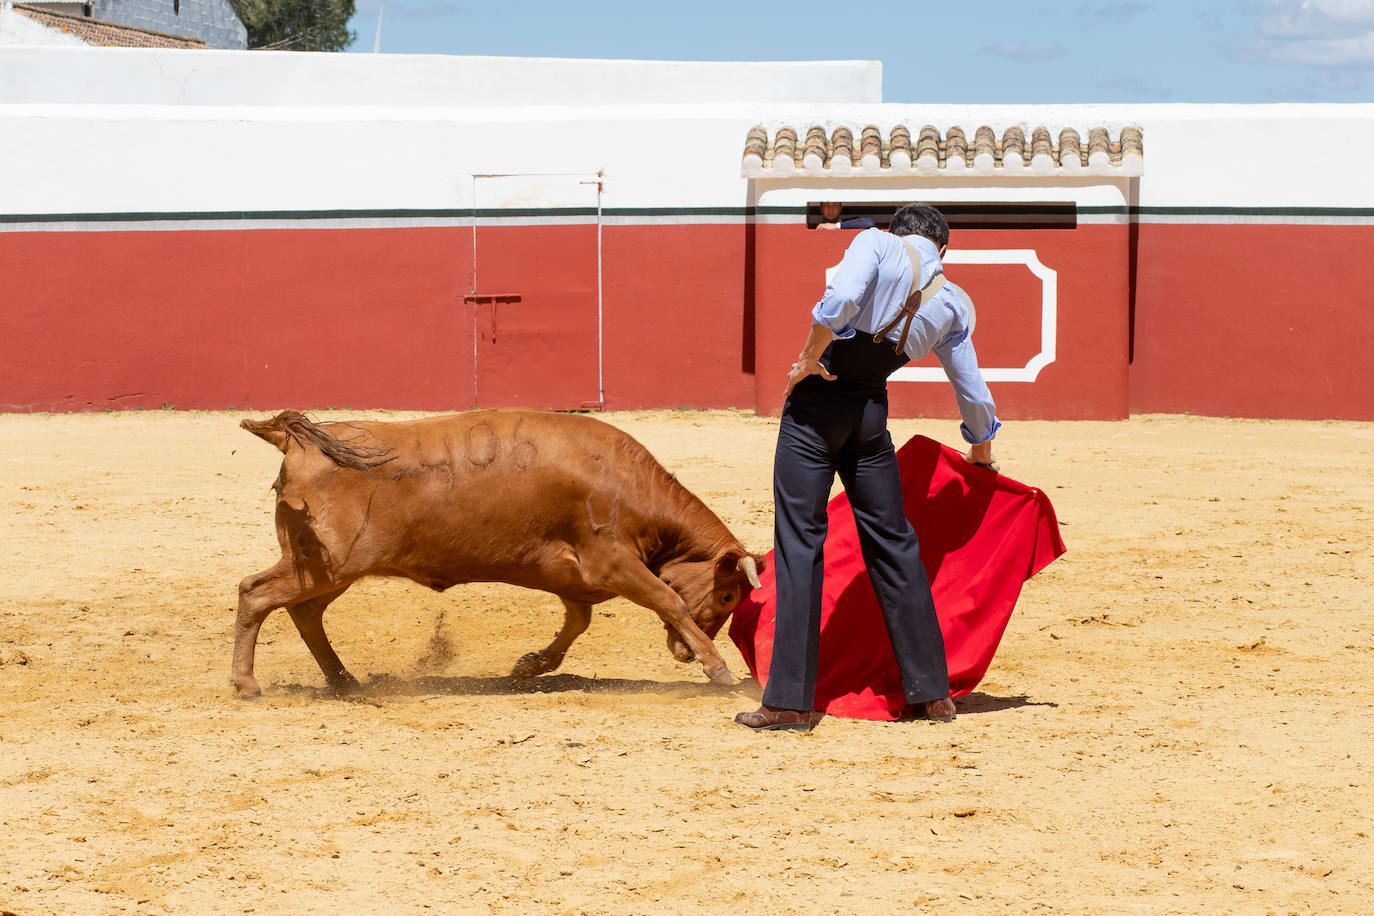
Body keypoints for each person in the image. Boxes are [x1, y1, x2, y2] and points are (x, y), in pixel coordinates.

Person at [736, 203, 1000, 732]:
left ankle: (788, 701)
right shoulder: (951, 302)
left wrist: (810, 358)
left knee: (800, 545)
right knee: (895, 545)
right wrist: (980, 451)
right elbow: (971, 390)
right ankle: (932, 695)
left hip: (815, 410)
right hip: (870, 419)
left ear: (899, 232)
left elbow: (839, 302)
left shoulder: (876, 243)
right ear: (943, 249)